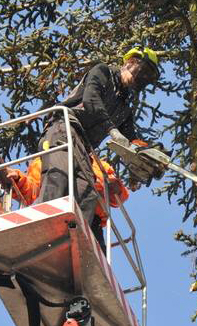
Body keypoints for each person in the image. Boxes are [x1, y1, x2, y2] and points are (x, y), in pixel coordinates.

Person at [36, 47, 161, 233]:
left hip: (84, 148)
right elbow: (91, 99)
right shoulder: (104, 73)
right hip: (63, 128)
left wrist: (147, 158)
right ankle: (42, 225)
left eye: (147, 77)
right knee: (59, 172)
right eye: (142, 71)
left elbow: (132, 140)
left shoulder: (124, 108)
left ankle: (73, 237)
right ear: (130, 62)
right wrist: (111, 129)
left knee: (86, 192)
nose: (141, 79)